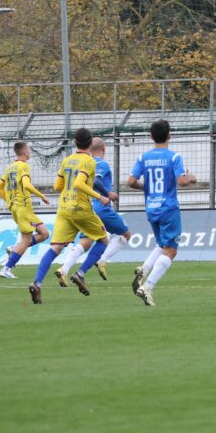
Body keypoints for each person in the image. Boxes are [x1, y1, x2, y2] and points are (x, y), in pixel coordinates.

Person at [27, 128, 110, 304]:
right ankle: (80, 274)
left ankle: (37, 283)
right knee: (103, 240)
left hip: (64, 208)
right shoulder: (89, 161)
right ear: (89, 144)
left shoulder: (67, 160)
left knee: (55, 248)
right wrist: (100, 196)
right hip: (81, 208)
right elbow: (80, 183)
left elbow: (58, 186)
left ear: (75, 143)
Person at [128, 119, 197, 306]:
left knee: (161, 244)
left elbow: (131, 181)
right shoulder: (174, 157)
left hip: (151, 207)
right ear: (169, 136)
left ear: (151, 137)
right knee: (171, 250)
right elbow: (181, 181)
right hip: (168, 208)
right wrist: (190, 178)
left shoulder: (143, 158)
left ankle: (145, 267)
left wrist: (145, 187)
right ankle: (148, 286)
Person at [56, 137, 133, 282]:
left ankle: (64, 269)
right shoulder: (101, 163)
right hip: (102, 208)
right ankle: (101, 261)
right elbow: (97, 180)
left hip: (86, 207)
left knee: (87, 241)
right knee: (126, 234)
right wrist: (107, 193)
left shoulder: (84, 164)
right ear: (103, 148)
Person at [0, 141, 50, 279]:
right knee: (26, 241)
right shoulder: (24, 166)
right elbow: (26, 185)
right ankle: (6, 268)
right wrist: (42, 196)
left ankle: (14, 249)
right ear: (24, 151)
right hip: (23, 208)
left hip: (18, 208)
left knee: (44, 233)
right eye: (29, 149)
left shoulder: (10, 167)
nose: (30, 152)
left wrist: (9, 200)